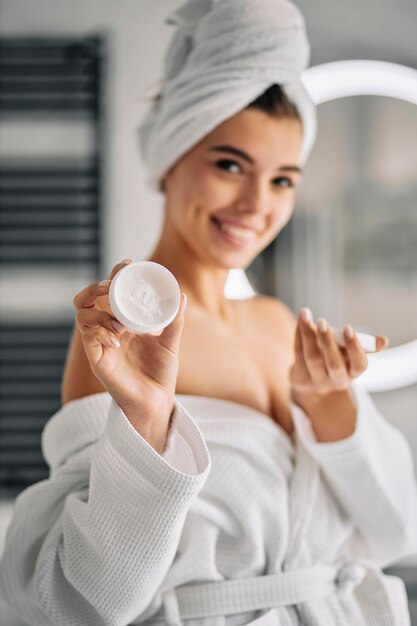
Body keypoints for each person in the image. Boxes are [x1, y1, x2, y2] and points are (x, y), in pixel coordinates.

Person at [1, 0, 417, 625]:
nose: (256, 204)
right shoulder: (123, 341)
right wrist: (145, 419)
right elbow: (84, 601)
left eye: (282, 179)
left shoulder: (279, 325)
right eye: (230, 165)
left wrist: (332, 408)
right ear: (170, 159)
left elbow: (394, 535)